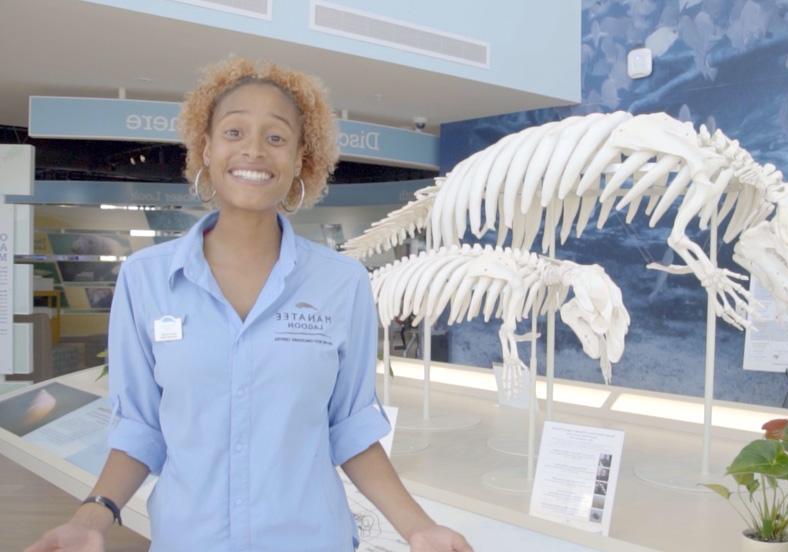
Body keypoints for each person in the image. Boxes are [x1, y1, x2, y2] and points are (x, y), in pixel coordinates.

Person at [25, 57, 473, 552]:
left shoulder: (341, 283)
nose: (254, 150)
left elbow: (350, 427)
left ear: (303, 157)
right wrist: (93, 519)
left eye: (276, 137)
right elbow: (139, 428)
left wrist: (419, 527)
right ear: (206, 149)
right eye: (234, 131)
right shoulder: (145, 279)